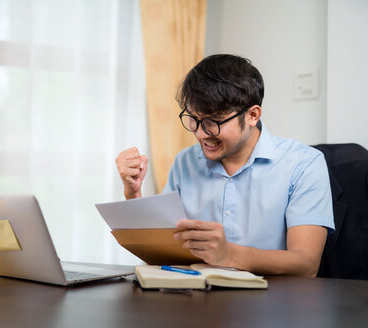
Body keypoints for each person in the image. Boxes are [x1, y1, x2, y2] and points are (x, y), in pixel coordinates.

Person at [116, 54, 334, 277]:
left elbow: (306, 265)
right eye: (194, 119)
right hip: (195, 302)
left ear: (252, 115)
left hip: (271, 303)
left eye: (213, 121)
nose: (201, 133)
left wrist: (228, 254)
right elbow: (160, 252)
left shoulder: (304, 165)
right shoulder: (185, 162)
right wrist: (133, 193)